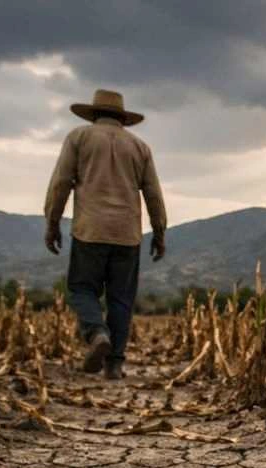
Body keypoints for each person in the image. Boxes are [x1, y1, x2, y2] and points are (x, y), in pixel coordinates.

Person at [43, 88, 167, 379]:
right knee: (121, 299)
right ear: (122, 118)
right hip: (127, 235)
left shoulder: (79, 137)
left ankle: (97, 333)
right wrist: (159, 232)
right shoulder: (140, 147)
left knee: (81, 289)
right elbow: (153, 194)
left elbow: (61, 183)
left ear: (94, 113)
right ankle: (114, 364)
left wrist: (52, 223)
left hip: (90, 230)